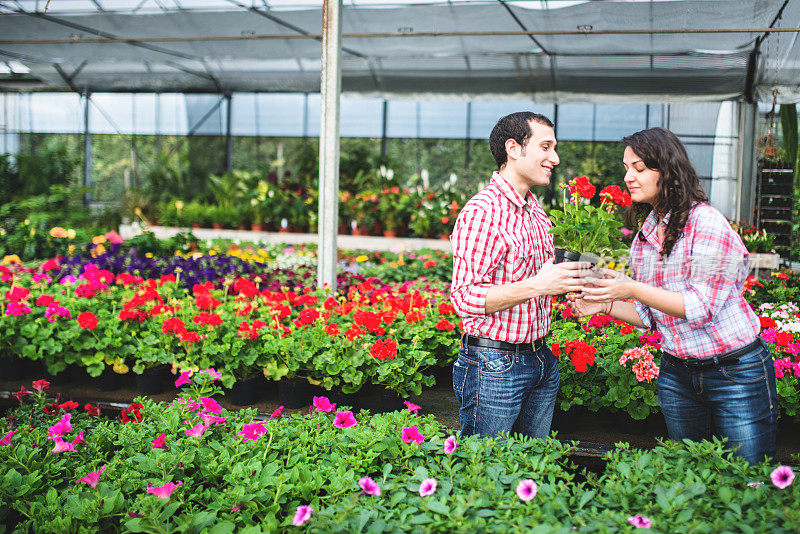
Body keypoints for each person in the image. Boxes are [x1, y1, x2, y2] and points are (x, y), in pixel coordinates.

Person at [569, 127, 778, 465]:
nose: (628, 177)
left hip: (735, 374)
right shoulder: (646, 234)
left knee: (746, 479)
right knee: (691, 478)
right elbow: (652, 316)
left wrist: (631, 286)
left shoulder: (706, 223)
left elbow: (700, 307)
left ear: (666, 170)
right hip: (678, 376)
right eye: (626, 168)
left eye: (639, 168)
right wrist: (605, 303)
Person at [449, 111, 586, 438]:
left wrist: (575, 282)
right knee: (485, 473)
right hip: (495, 365)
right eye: (546, 147)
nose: (554, 158)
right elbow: (464, 297)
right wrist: (538, 284)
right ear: (514, 148)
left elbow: (536, 281)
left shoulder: (535, 210)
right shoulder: (484, 212)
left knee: (531, 468)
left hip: (541, 360)